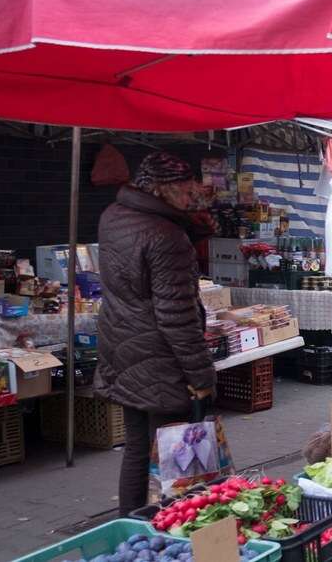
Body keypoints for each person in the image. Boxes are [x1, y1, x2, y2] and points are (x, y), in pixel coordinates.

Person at [96, 152, 216, 516]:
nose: (191, 192)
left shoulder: (112, 217)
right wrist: (201, 375)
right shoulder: (166, 236)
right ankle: (174, 529)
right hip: (159, 356)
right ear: (162, 189)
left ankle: (129, 522)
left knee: (136, 446)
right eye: (184, 187)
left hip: (120, 344)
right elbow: (175, 316)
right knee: (175, 452)